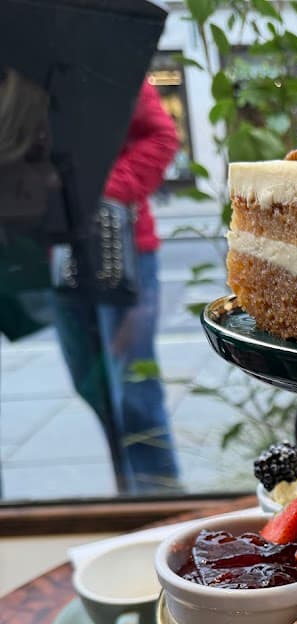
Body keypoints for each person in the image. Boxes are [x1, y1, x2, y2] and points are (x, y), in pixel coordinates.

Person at [51, 78, 181, 494]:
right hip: (55, 251)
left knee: (134, 391)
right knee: (91, 383)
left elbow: (160, 136)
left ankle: (156, 504)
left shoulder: (104, 59)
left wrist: (97, 193)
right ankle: (131, 489)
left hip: (120, 248)